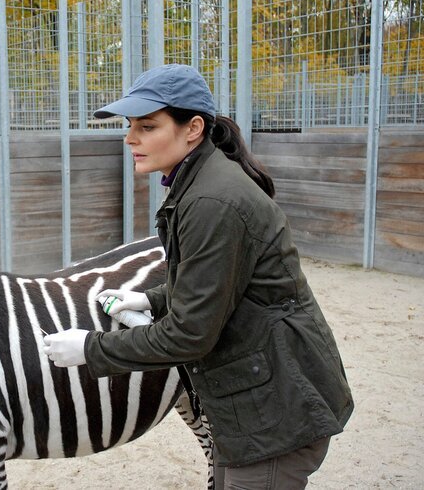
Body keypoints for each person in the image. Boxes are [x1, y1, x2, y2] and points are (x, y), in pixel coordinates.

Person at [43, 64, 352, 489]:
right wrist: (153, 299)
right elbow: (219, 282)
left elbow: (190, 336)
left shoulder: (212, 200)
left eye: (147, 126)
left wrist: (89, 348)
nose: (130, 138)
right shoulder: (199, 183)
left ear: (193, 129)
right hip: (255, 401)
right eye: (131, 126)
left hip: (276, 409)